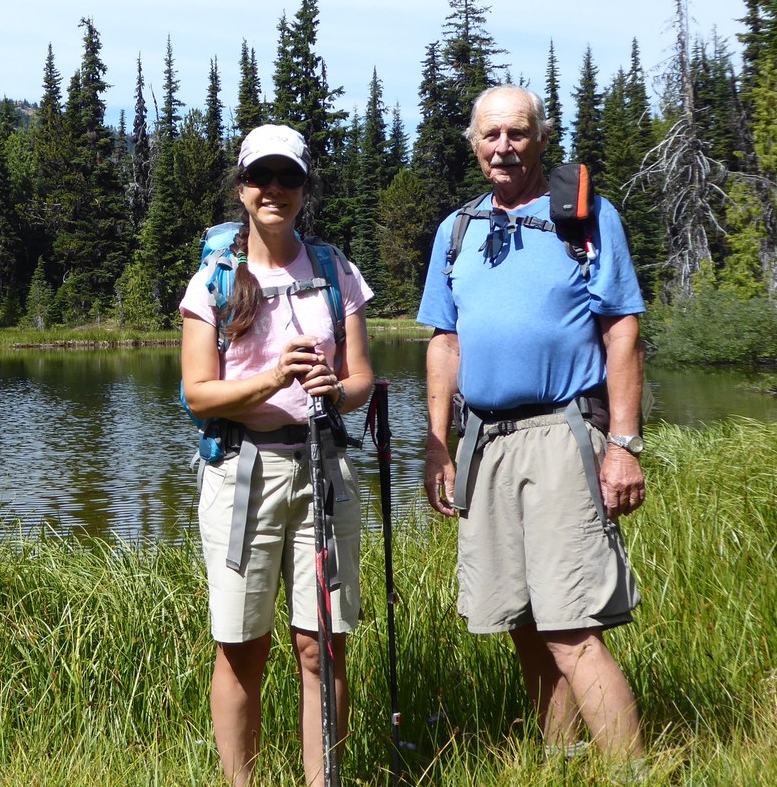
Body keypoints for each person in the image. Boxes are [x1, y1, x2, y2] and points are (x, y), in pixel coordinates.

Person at [417, 85, 647, 770]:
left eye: (517, 133)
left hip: (561, 437)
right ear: (474, 145)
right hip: (484, 442)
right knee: (521, 622)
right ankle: (561, 762)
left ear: (541, 138)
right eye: (491, 135)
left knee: (571, 625)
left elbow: (622, 332)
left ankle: (634, 773)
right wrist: (438, 445)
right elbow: (444, 343)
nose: (504, 147)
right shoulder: (457, 229)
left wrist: (624, 446)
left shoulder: (585, 219)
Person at [180, 124, 375, 786]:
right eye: (261, 177)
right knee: (242, 648)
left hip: (325, 470)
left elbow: (361, 381)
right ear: (241, 187)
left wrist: (334, 389)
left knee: (321, 646)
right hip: (243, 474)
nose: (274, 190)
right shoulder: (212, 281)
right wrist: (273, 380)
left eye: (287, 178)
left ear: (303, 189)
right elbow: (198, 396)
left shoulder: (333, 269)